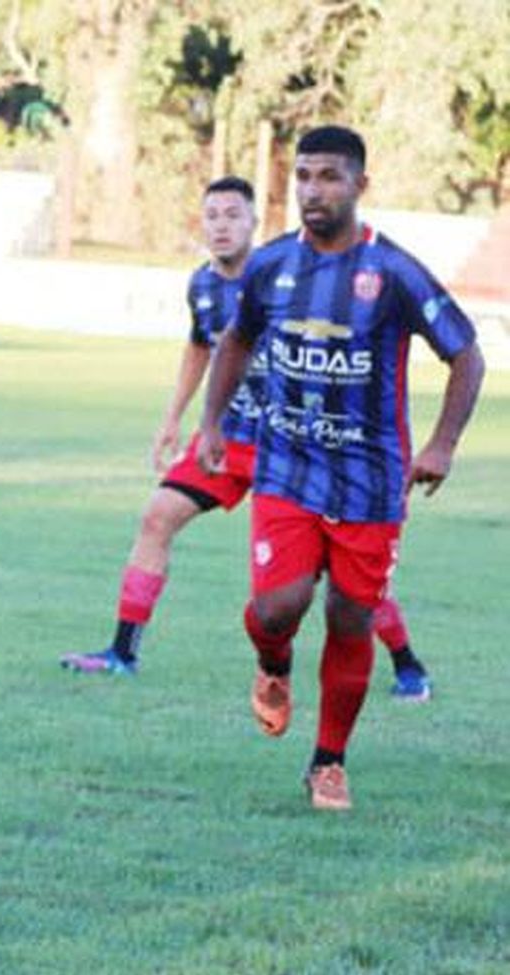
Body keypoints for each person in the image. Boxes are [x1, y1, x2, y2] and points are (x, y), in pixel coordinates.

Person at [60, 176, 434, 701]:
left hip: (294, 449)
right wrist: (175, 418)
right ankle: (122, 652)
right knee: (157, 516)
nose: (221, 225)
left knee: (339, 574)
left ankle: (408, 665)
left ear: (255, 221)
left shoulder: (286, 276)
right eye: (212, 215)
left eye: (233, 215)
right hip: (229, 441)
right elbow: (201, 347)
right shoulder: (202, 286)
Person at [198, 126, 484, 811]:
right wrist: (211, 423)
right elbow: (236, 342)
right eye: (302, 175)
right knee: (279, 606)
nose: (313, 190)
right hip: (288, 464)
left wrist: (442, 444)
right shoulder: (271, 267)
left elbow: (466, 354)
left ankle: (328, 762)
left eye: (328, 176)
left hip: (371, 478)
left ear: (360, 183)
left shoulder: (394, 272)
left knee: (352, 618)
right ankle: (273, 663)